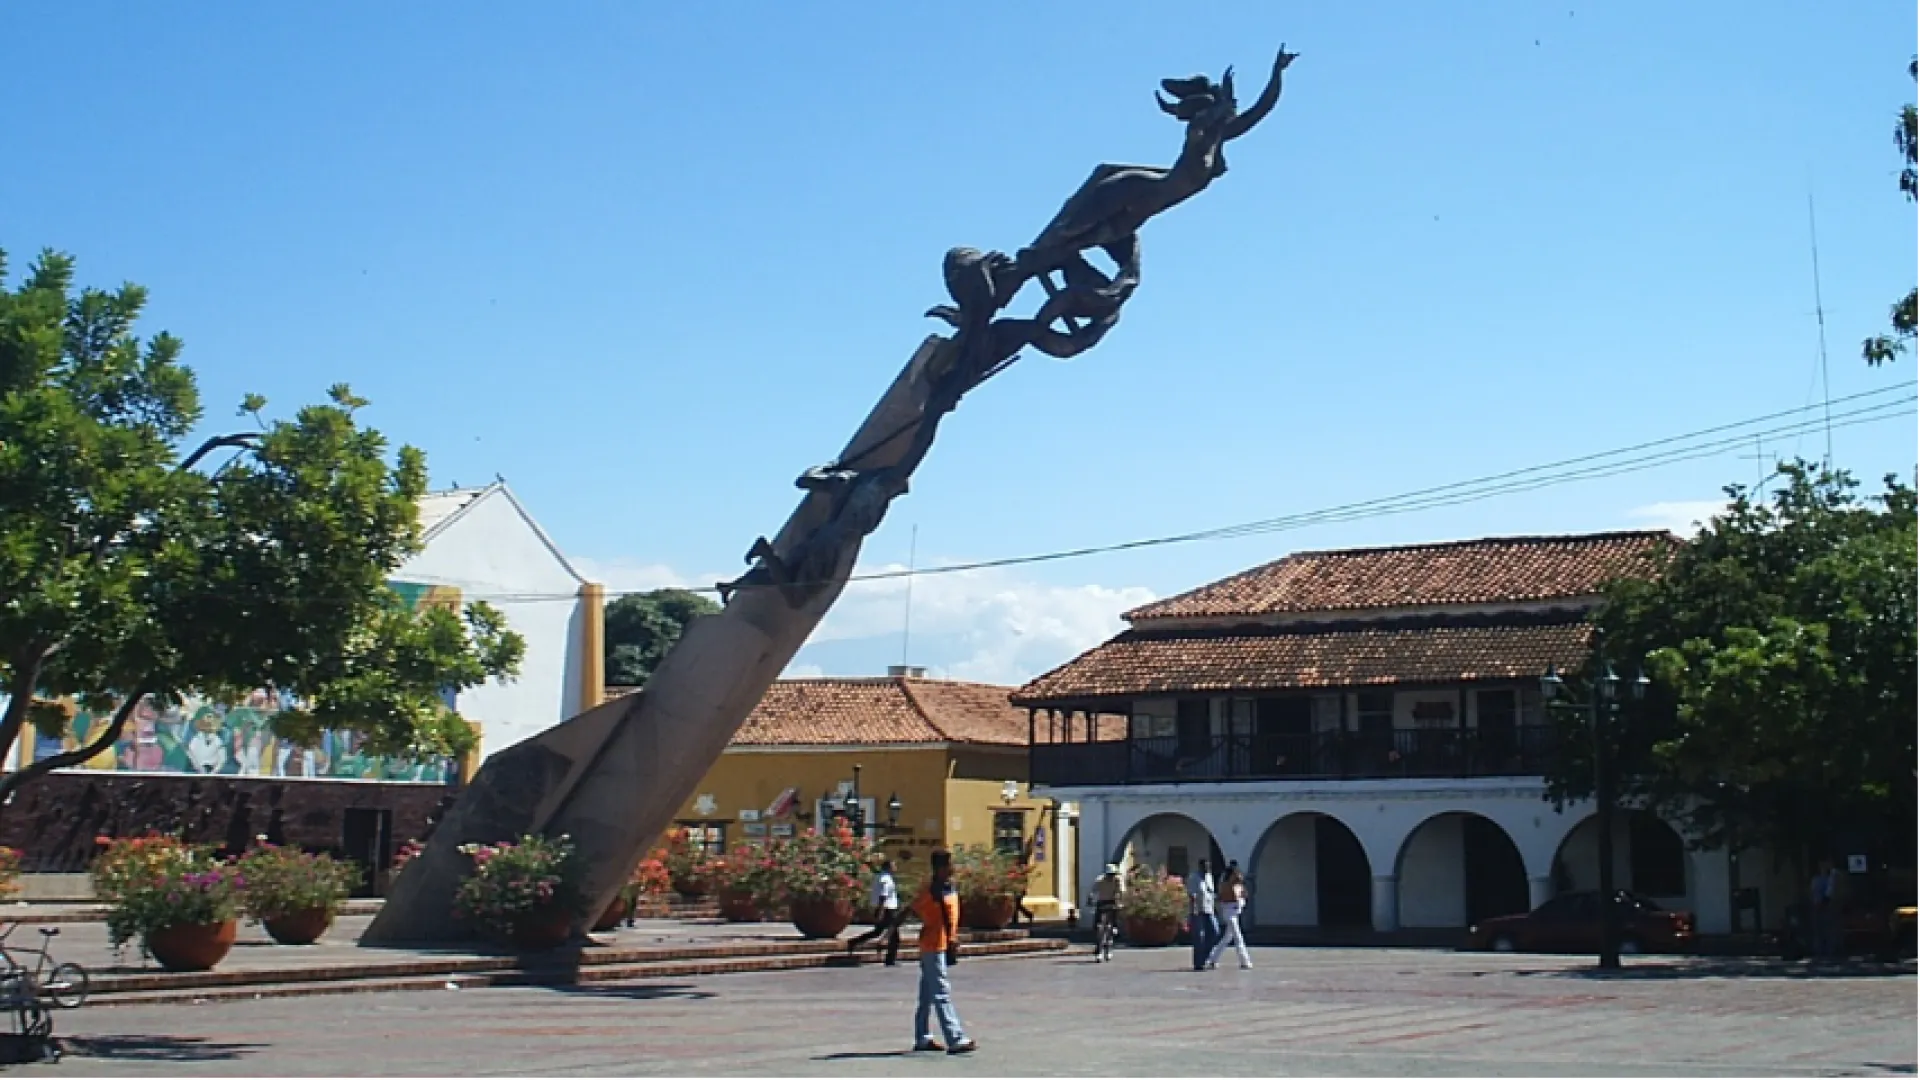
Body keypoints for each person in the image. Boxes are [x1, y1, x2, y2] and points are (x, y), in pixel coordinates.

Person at [910, 849, 976, 1055]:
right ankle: (955, 1038)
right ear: (939, 868)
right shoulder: (932, 891)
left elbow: (952, 916)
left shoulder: (948, 888)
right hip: (933, 944)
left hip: (943, 943)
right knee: (941, 992)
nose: (952, 868)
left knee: (927, 993)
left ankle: (922, 1037)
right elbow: (916, 908)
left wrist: (953, 939)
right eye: (948, 864)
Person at [848, 859, 902, 966]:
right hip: (887, 909)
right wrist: (881, 911)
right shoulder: (885, 879)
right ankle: (890, 960)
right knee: (894, 936)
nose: (895, 867)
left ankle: (854, 942)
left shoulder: (880, 877)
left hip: (885, 908)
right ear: (888, 867)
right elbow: (883, 895)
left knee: (878, 931)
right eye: (893, 865)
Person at [1205, 862, 1253, 970]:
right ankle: (1245, 961)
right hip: (1230, 913)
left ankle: (1212, 959)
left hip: (1235, 912)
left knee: (1227, 938)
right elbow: (1227, 899)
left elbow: (1244, 895)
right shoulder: (1226, 885)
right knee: (1238, 937)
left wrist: (1242, 892)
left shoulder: (1238, 885)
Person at [1089, 863, 1125, 961]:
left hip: (1112, 902)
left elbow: (1121, 892)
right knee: (1099, 927)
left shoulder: (1117, 880)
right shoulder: (1100, 880)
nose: (1111, 877)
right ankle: (1099, 950)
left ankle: (1110, 945)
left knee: (1111, 927)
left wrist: (1120, 902)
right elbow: (1093, 891)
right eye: (1110, 875)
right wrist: (1091, 899)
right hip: (1102, 903)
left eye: (1113, 875)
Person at [1188, 858, 1218, 972]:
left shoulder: (1209, 877)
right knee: (1199, 937)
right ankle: (1198, 963)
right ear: (1200, 866)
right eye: (1205, 866)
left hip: (1209, 909)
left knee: (1215, 932)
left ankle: (1205, 956)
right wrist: (1194, 909)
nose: (1207, 869)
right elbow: (1192, 895)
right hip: (1198, 911)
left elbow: (1211, 893)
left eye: (1209, 866)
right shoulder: (1194, 877)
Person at [1810, 858, 1842, 960]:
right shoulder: (1817, 879)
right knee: (1819, 928)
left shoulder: (1831, 878)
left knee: (1828, 928)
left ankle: (1829, 949)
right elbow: (1814, 892)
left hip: (1827, 904)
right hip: (1818, 904)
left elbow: (1831, 891)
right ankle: (1820, 949)